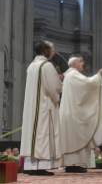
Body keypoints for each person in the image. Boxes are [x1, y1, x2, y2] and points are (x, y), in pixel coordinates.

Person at [60, 54, 102, 173]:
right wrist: (98, 76)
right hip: (74, 115)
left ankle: (73, 164)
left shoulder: (69, 75)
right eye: (80, 61)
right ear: (73, 64)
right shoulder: (73, 75)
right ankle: (73, 164)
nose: (83, 63)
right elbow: (87, 84)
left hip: (72, 113)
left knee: (75, 138)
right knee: (77, 137)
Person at [20, 41, 63, 176]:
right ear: (44, 50)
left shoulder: (31, 66)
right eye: (50, 49)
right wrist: (59, 80)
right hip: (44, 107)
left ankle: (31, 166)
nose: (52, 52)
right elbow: (54, 87)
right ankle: (40, 166)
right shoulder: (47, 66)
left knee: (33, 135)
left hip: (32, 108)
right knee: (43, 135)